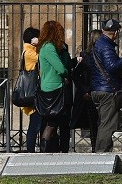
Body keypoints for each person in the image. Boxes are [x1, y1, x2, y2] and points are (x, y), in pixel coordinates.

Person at [88, 18, 122, 153]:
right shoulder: (106, 46)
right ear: (116, 32)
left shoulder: (98, 44)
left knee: (104, 123)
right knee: (107, 125)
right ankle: (102, 153)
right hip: (107, 91)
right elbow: (111, 66)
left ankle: (103, 151)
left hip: (98, 88)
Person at [37, 20, 74, 153]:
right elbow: (61, 69)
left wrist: (64, 51)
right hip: (53, 89)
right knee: (52, 123)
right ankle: (44, 151)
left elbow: (67, 64)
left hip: (55, 88)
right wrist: (66, 73)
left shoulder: (53, 47)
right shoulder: (48, 47)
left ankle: (57, 149)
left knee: (60, 122)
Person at [71, 29, 102, 152]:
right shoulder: (86, 56)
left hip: (96, 91)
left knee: (98, 123)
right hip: (90, 92)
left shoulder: (102, 54)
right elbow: (75, 74)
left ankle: (97, 148)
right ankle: (96, 148)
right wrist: (84, 91)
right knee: (94, 123)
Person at [20, 27, 41, 152]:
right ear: (32, 39)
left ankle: (31, 149)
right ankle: (30, 150)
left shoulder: (30, 50)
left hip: (33, 91)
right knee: (34, 124)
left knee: (35, 122)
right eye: (37, 36)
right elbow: (43, 59)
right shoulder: (29, 53)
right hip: (33, 91)